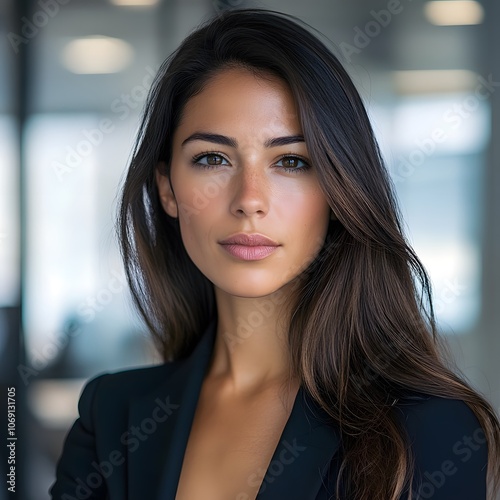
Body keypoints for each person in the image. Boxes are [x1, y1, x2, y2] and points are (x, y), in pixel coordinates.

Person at [50, 8, 500, 500]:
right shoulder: (111, 414)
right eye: (212, 159)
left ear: (338, 189)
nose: (249, 199)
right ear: (168, 188)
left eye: (291, 161)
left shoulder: (424, 429)